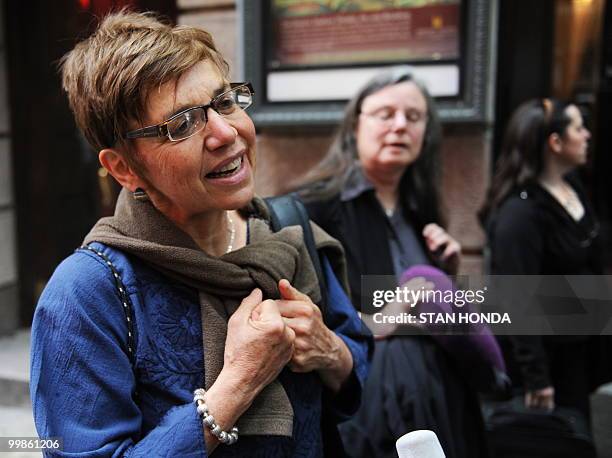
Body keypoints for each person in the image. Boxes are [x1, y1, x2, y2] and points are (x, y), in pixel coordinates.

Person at [29, 10, 371, 457]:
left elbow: (356, 372)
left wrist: (330, 352)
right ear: (124, 168)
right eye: (183, 124)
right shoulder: (87, 295)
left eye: (225, 102)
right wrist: (235, 387)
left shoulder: (287, 232)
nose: (227, 133)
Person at [302, 68, 489, 458]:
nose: (400, 126)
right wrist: (375, 319)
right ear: (357, 124)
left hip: (440, 391)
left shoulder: (421, 208)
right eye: (385, 114)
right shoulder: (314, 208)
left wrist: (446, 274)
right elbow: (303, 314)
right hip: (369, 404)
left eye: (414, 116)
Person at [480, 98, 603, 419]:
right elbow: (517, 299)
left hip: (577, 351)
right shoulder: (519, 215)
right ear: (555, 142)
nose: (588, 135)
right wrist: (538, 379)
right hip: (547, 364)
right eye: (579, 127)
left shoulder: (571, 186)